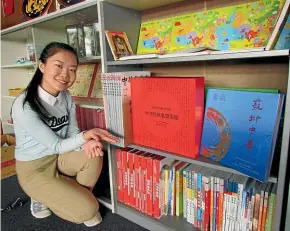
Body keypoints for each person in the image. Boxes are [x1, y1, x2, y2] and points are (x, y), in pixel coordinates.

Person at [11, 42, 119, 227]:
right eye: (59, 66)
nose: (65, 75)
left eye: (72, 69)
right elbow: (56, 144)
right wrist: (86, 136)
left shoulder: (66, 96)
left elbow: (72, 132)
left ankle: (66, 192)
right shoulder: (24, 106)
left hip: (59, 157)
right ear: (42, 66)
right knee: (89, 212)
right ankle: (40, 196)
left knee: (93, 152)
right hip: (34, 168)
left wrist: (86, 142)